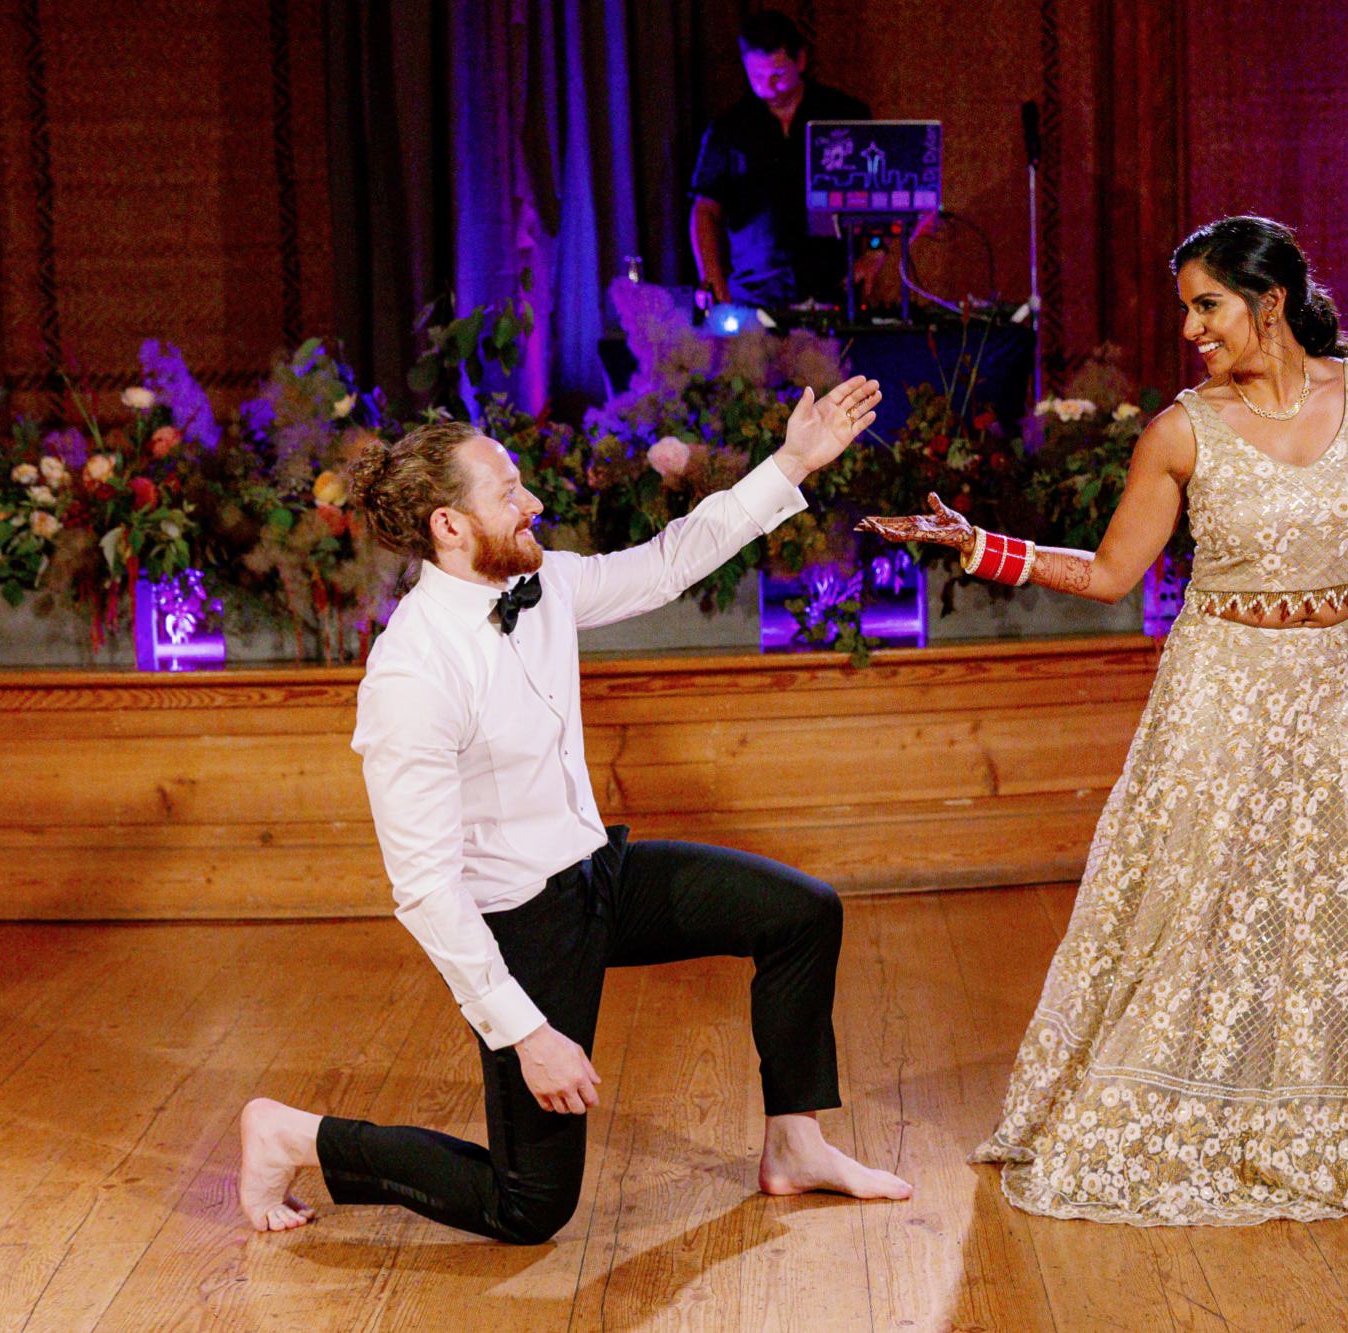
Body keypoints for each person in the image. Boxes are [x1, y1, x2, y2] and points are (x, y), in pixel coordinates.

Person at [858, 216, 1348, 1225]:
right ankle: (1192, 1106)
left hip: (1341, 691)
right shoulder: (1180, 429)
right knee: (1200, 905)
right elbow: (1111, 576)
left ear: (1268, 302)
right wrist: (976, 546)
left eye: (1207, 305)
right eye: (1186, 308)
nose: (1190, 328)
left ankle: (1330, 1118)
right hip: (1219, 691)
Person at [237, 374, 913, 1240]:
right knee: (529, 1207)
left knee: (800, 914)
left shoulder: (543, 582)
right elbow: (427, 892)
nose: (536, 501)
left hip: (598, 874)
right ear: (449, 525)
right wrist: (527, 1032)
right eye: (510, 492)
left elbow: (669, 562)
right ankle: (291, 1132)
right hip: (521, 926)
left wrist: (790, 463)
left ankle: (795, 1143)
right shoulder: (411, 675)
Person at [690, 11, 870, 308]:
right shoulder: (729, 129)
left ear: (800, 61)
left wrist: (875, 253)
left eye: (777, 76)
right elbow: (705, 210)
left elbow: (883, 193)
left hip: (831, 288)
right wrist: (711, 278)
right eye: (756, 77)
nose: (767, 88)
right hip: (754, 292)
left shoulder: (845, 115)